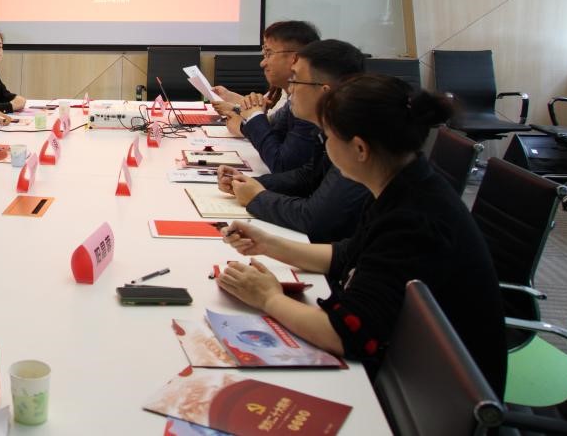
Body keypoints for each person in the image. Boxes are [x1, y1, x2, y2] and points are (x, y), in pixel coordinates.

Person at [215, 74, 506, 395]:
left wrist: (268, 298)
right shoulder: (403, 182)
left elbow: (346, 334)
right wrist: (268, 244)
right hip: (414, 365)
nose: (324, 147)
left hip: (434, 394)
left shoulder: (413, 219)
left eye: (327, 137)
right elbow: (350, 254)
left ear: (360, 148)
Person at [216, 39, 371, 243]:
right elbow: (308, 175)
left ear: (324, 92)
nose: (290, 90)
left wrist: (257, 197)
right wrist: (249, 183)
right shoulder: (333, 128)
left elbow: (315, 219)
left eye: (296, 80)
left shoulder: (356, 140)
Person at [212, 20, 321, 173]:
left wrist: (253, 116)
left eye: (269, 54)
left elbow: (281, 164)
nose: (262, 63)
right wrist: (248, 121)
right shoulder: (292, 99)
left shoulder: (310, 103)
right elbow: (274, 131)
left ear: (296, 59)